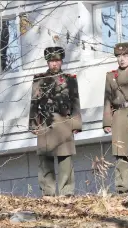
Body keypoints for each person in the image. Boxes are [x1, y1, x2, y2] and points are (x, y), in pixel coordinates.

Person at [29, 46, 82, 197]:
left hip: (65, 121)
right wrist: (33, 124)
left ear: (61, 61)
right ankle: (48, 193)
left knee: (65, 159)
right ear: (47, 62)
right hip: (45, 122)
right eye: (51, 61)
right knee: (45, 159)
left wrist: (76, 124)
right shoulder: (39, 79)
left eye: (57, 61)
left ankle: (67, 192)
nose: (54, 64)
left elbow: (75, 102)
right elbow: (33, 103)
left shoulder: (70, 79)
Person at [103, 42, 128, 194]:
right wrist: (107, 122)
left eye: (125, 56)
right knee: (121, 155)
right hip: (118, 116)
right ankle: (122, 189)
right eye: (119, 56)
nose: (122, 59)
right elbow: (107, 100)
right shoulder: (111, 76)